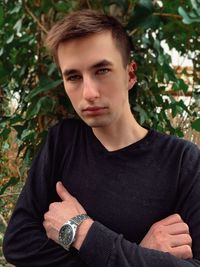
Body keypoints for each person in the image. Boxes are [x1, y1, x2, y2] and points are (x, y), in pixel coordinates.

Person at [3, 9, 200, 267]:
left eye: (102, 70)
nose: (89, 92)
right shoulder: (62, 142)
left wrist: (82, 232)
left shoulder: (182, 161)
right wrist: (138, 254)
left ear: (130, 74)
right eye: (73, 76)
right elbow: (18, 244)